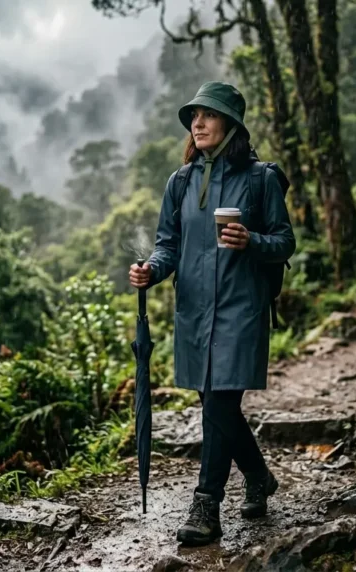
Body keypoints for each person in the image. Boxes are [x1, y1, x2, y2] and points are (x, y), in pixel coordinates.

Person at [128, 81, 296, 546]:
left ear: (230, 125)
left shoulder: (261, 179)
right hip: (195, 312)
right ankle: (259, 477)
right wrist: (150, 271)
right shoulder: (179, 182)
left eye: (209, 115)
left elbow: (284, 241)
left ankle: (207, 505)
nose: (198, 123)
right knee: (215, 406)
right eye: (194, 116)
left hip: (241, 311)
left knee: (220, 404)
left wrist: (253, 241)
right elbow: (168, 246)